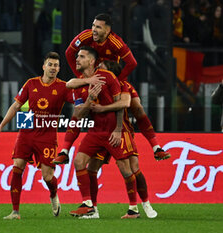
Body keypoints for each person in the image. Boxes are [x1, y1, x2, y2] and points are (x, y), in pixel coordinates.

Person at [58, 13, 170, 163]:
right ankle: (65, 151)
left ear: (108, 30)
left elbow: (132, 63)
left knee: (137, 107)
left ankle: (157, 148)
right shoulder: (85, 36)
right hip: (92, 79)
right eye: (93, 26)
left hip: (112, 82)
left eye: (98, 27)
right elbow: (69, 53)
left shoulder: (116, 43)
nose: (94, 30)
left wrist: (117, 80)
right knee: (79, 111)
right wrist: (81, 76)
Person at [0, 52, 73, 220]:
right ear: (44, 66)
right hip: (27, 128)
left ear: (59, 69)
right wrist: (0, 126)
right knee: (17, 167)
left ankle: (53, 194)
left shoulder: (64, 87)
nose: (53, 68)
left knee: (47, 176)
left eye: (56, 65)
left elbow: (80, 101)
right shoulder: (31, 83)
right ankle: (15, 212)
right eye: (50, 64)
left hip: (48, 133)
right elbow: (16, 106)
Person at [67, 46, 140, 219]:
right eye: (77, 56)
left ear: (91, 61)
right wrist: (90, 99)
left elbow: (121, 105)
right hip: (95, 132)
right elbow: (78, 114)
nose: (77, 59)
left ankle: (133, 209)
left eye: (81, 56)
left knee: (125, 168)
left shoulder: (108, 77)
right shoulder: (79, 85)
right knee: (79, 162)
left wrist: (117, 130)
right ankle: (89, 206)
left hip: (112, 131)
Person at [86, 60, 157, 219]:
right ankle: (93, 209)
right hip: (100, 132)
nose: (98, 71)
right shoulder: (95, 84)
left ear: (111, 71)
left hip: (121, 131)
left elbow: (127, 105)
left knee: (131, 168)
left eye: (102, 68)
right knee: (91, 169)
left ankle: (142, 205)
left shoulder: (123, 85)